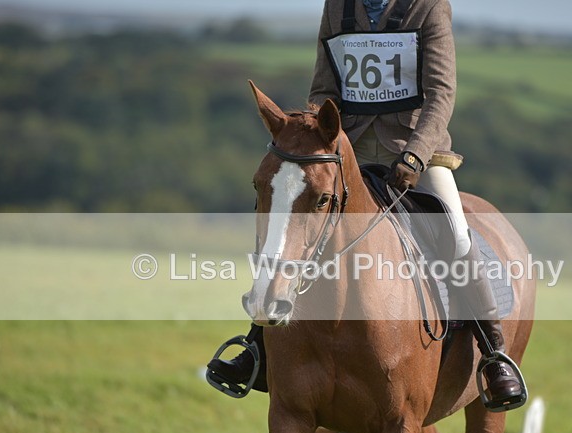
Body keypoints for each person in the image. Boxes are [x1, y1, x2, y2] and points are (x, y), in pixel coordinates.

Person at [207, 0, 526, 411]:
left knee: (456, 233)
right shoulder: (337, 7)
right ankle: (257, 347)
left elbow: (440, 95)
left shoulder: (427, 8)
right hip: (341, 153)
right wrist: (320, 138)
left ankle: (493, 351)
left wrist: (415, 154)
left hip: (415, 154)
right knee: (292, 227)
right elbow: (324, 89)